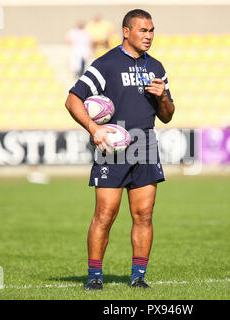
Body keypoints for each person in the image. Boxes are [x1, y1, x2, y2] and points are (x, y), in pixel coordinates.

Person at [64, 9, 175, 290]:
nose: (149, 36)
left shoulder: (157, 67)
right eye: (142, 30)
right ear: (126, 31)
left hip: (145, 144)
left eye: (151, 30)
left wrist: (163, 96)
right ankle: (95, 277)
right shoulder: (107, 64)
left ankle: (138, 276)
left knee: (144, 214)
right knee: (105, 214)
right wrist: (94, 128)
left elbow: (168, 115)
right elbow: (73, 99)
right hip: (112, 148)